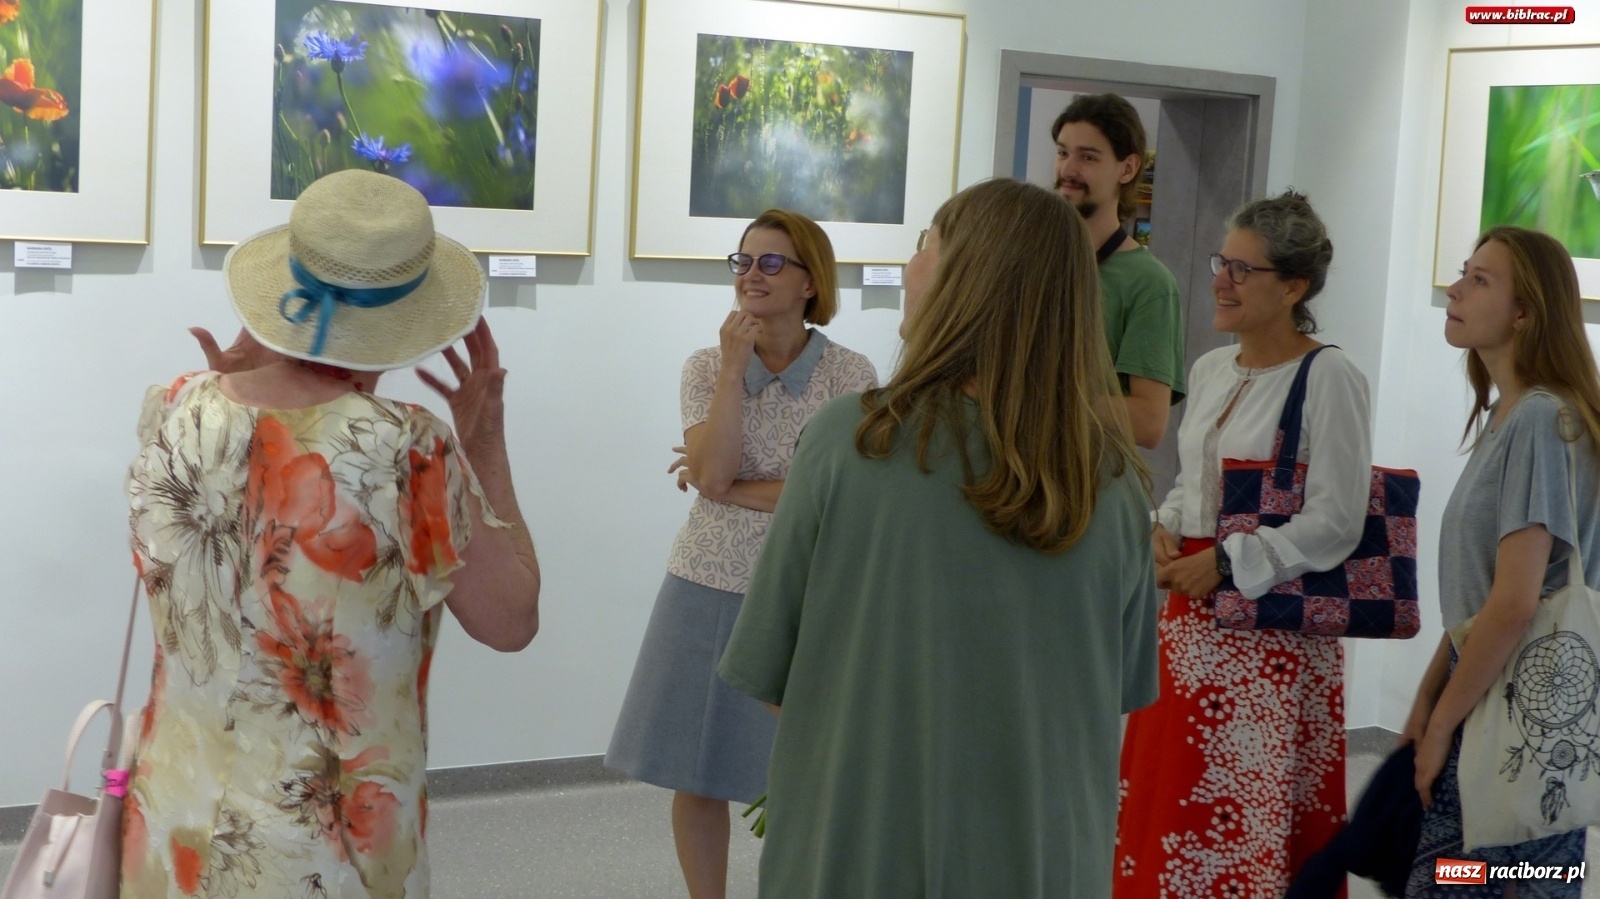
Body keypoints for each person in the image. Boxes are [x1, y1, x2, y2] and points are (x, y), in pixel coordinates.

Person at [717, 178, 1159, 898]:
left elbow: (777, 671)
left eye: (925, 242)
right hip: (1045, 858)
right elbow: (1113, 689)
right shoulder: (1111, 481)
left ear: (961, 279)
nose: (912, 262)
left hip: (860, 848)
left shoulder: (852, 439)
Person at [120, 169, 540, 898]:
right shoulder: (408, 450)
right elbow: (510, 619)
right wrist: (487, 446)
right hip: (322, 850)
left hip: (171, 823)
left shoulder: (177, 404)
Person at [605, 210, 877, 899]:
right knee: (696, 770)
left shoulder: (852, 373)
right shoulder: (706, 364)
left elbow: (836, 495)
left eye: (770, 262)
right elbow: (717, 470)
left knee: (803, 772)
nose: (750, 275)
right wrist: (732, 373)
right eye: (743, 261)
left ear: (811, 281)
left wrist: (721, 484)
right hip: (706, 582)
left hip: (809, 590)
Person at [1115, 190, 1371, 897]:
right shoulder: (1208, 368)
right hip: (1187, 620)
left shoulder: (1330, 376)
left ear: (1294, 287)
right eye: (1221, 262)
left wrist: (1228, 561)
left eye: (1242, 269)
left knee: (1238, 808)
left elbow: (1337, 519)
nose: (1220, 280)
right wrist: (1163, 528)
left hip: (1269, 632)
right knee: (1169, 793)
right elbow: (1192, 484)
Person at [1402, 227, 1600, 899]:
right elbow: (1485, 598)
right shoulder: (1512, 414)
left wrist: (1444, 723)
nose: (1456, 289)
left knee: (1476, 879)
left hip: (1513, 709)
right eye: (1464, 272)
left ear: (1525, 311)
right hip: (1496, 689)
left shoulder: (1543, 419)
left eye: (1480, 279)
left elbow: (1515, 603)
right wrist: (1431, 695)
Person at [1052, 92, 1186, 448]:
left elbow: (1148, 422)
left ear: (1127, 168)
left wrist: (1041, 399)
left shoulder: (1150, 283)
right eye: (1063, 152)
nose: (1068, 170)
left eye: (1088, 157)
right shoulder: (1029, 260)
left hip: (1090, 490)